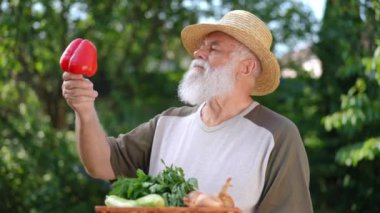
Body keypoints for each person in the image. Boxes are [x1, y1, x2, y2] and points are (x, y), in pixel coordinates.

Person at [62, 10, 313, 213]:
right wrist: (84, 111)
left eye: (213, 48)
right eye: (201, 47)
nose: (197, 53)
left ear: (246, 68)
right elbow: (101, 164)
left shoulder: (277, 135)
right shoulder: (168, 123)